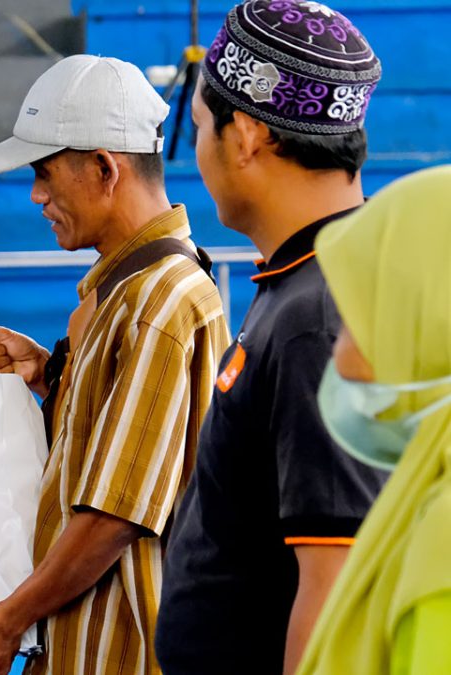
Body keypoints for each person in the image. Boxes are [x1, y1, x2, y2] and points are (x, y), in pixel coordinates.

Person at [0, 55, 229, 675]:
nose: (36, 196)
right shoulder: (124, 294)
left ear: (104, 168)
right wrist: (52, 378)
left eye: (45, 174)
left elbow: (114, 514)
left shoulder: (158, 300)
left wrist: (4, 622)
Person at [154, 2, 390, 673]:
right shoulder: (319, 281)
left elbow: (334, 581)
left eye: (200, 127)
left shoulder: (317, 317)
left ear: (249, 135)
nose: (197, 153)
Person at [294, 166, 451, 673]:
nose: (335, 351)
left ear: (423, 321)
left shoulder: (441, 544)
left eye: (357, 316)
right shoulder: (426, 486)